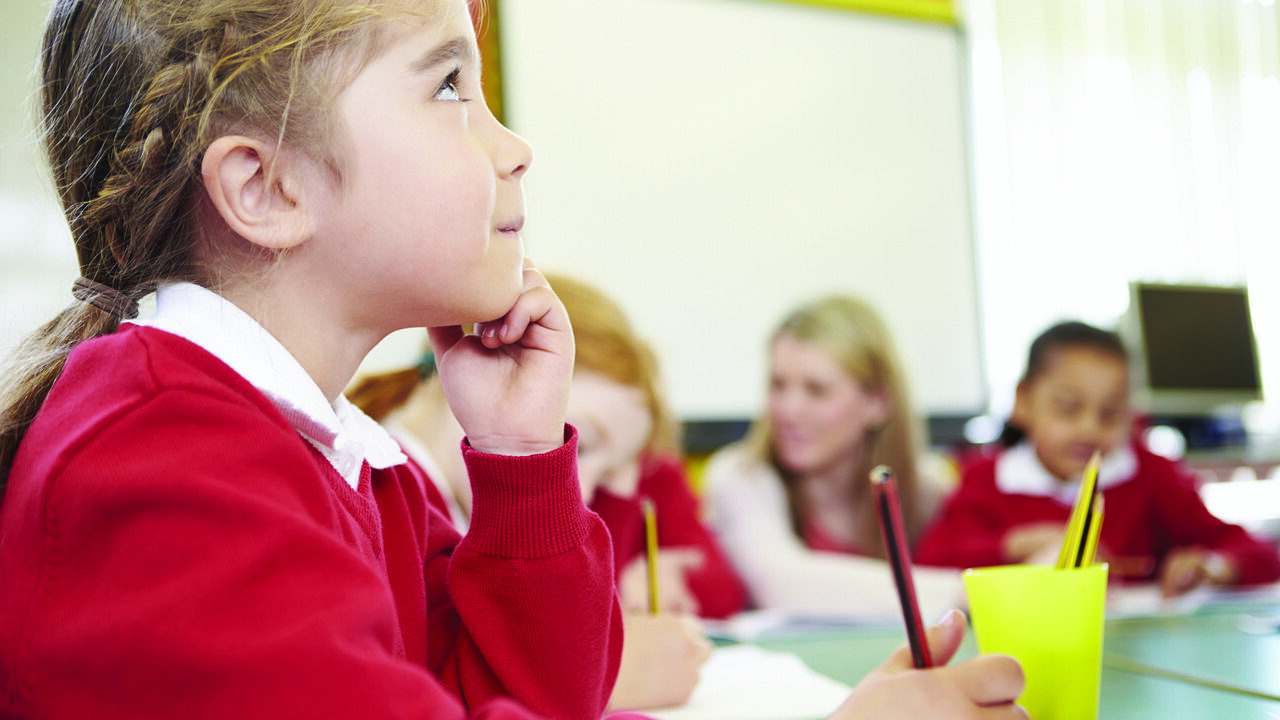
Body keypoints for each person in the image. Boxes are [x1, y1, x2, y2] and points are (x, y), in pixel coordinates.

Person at [0, 1, 1027, 717]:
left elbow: (536, 699)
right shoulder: (164, 465)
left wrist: (521, 456)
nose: (514, 145)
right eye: (451, 86)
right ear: (265, 190)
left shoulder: (351, 463)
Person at [349, 272, 744, 710]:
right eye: (582, 445)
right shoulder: (383, 501)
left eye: (609, 469)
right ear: (488, 370)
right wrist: (612, 680)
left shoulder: (452, 508)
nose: (587, 490)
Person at [914, 321, 1280, 598]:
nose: (1089, 429)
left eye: (1109, 414)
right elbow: (929, 564)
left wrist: (1216, 566)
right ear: (1023, 401)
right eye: (1068, 409)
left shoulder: (1151, 476)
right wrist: (1015, 545)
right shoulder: (988, 478)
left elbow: (1260, 553)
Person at [703, 295, 965, 621]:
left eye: (816, 390)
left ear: (877, 401)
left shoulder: (929, 485)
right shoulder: (740, 475)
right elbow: (782, 585)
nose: (788, 409)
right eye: (778, 385)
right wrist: (969, 590)